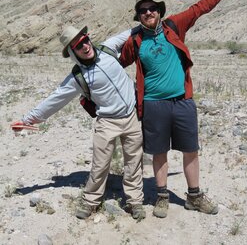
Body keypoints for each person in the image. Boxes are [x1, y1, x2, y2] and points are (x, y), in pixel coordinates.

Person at [119, 0, 240, 218]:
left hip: (182, 101)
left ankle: (194, 196)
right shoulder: (135, 40)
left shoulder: (173, 26)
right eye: (142, 11)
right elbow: (118, 63)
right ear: (138, 16)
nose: (148, 12)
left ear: (159, 11)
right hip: (153, 104)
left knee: (190, 150)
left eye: (152, 8)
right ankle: (162, 196)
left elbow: (199, 9)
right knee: (159, 151)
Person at [12, 25, 146, 220]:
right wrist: (26, 120)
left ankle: (135, 202)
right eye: (78, 45)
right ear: (72, 52)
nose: (85, 46)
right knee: (100, 166)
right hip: (107, 123)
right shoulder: (77, 78)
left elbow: (130, 33)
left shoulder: (108, 48)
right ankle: (91, 201)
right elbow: (54, 101)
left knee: (134, 162)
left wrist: (148, 16)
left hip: (131, 117)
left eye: (85, 40)